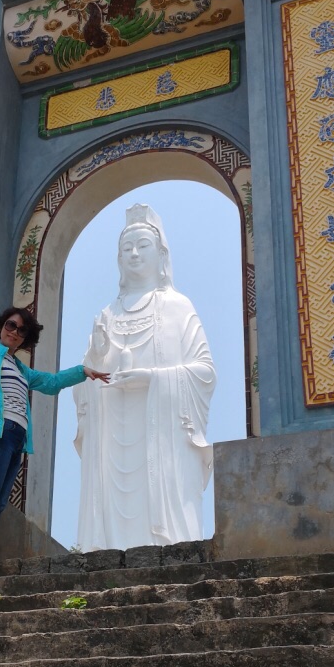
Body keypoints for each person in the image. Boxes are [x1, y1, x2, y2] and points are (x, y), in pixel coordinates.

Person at [73, 204, 216, 551]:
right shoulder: (107, 313)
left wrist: (153, 379)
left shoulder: (178, 305)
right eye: (127, 248)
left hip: (162, 434)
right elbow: (84, 380)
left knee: (165, 509)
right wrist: (96, 354)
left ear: (160, 252)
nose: (134, 254)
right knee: (107, 511)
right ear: (118, 258)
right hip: (113, 431)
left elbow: (205, 373)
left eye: (142, 245)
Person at [0, 306, 109, 580]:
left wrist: (83, 371)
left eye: (22, 330)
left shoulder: (21, 369)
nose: (14, 332)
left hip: (16, 437)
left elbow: (51, 382)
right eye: (11, 325)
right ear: (1, 326)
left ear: (26, 338)